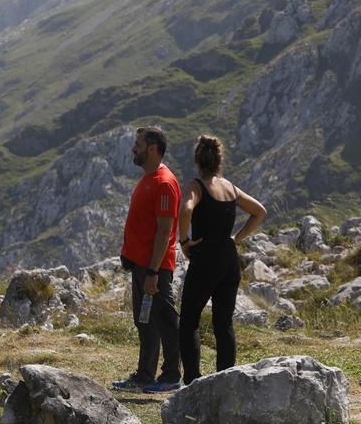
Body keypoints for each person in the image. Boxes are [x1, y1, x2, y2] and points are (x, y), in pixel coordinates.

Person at [177, 134, 266, 384]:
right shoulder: (230, 188)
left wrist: (184, 242)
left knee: (189, 321)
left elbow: (185, 210)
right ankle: (225, 380)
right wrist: (236, 239)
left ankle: (193, 381)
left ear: (198, 161)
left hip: (206, 256)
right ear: (219, 161)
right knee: (223, 323)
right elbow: (259, 212)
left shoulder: (196, 186)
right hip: (229, 258)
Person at [112, 126, 183, 393]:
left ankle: (172, 375)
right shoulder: (148, 178)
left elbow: (165, 231)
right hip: (141, 265)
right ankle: (145, 376)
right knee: (145, 321)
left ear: (152, 148)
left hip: (155, 268)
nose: (133, 148)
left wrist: (153, 271)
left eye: (138, 144)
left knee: (165, 320)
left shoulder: (164, 183)